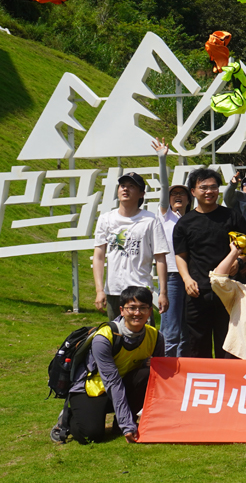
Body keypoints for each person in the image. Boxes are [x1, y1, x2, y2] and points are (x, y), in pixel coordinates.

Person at [60, 286, 162, 444]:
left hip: (122, 384)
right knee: (91, 435)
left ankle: (118, 425)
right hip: (92, 388)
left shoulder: (156, 337)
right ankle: (68, 418)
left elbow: (161, 376)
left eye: (143, 308)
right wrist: (127, 426)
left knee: (151, 372)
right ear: (122, 310)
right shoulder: (104, 338)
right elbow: (112, 382)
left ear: (150, 311)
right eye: (132, 308)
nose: (137, 313)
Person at [172, 168, 246, 358]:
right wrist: (186, 279)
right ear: (193, 191)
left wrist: (240, 262)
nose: (209, 191)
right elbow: (180, 255)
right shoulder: (185, 223)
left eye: (213, 187)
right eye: (203, 187)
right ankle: (202, 377)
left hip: (228, 291)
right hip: (198, 291)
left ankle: (228, 377)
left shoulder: (231, 216)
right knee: (197, 344)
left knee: (229, 344)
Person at [93, 170, 169, 322]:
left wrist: (163, 293)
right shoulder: (106, 219)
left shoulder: (151, 220)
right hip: (114, 290)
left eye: (131, 186)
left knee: (144, 335)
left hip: (140, 289)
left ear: (142, 194)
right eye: (122, 186)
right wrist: (99, 290)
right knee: (116, 334)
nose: (125, 189)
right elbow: (99, 256)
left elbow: (160, 258)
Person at [152, 138, 190, 357]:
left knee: (187, 331)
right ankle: (164, 368)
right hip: (172, 276)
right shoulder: (166, 216)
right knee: (171, 330)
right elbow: (164, 186)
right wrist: (162, 159)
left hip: (191, 277)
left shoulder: (193, 220)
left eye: (182, 194)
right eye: (174, 194)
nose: (177, 196)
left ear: (189, 199)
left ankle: (183, 371)